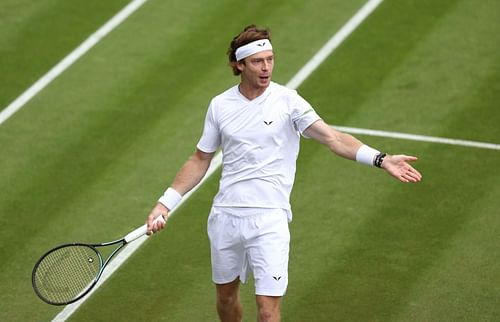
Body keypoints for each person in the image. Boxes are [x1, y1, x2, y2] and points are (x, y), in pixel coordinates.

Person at [146, 25, 422, 322]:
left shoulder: (289, 102)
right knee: (225, 300)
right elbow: (200, 158)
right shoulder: (220, 106)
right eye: (257, 61)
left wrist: (381, 159)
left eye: (270, 59)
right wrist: (165, 203)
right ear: (240, 65)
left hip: (269, 219)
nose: (266, 68)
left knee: (267, 312)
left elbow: (333, 138)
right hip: (225, 216)